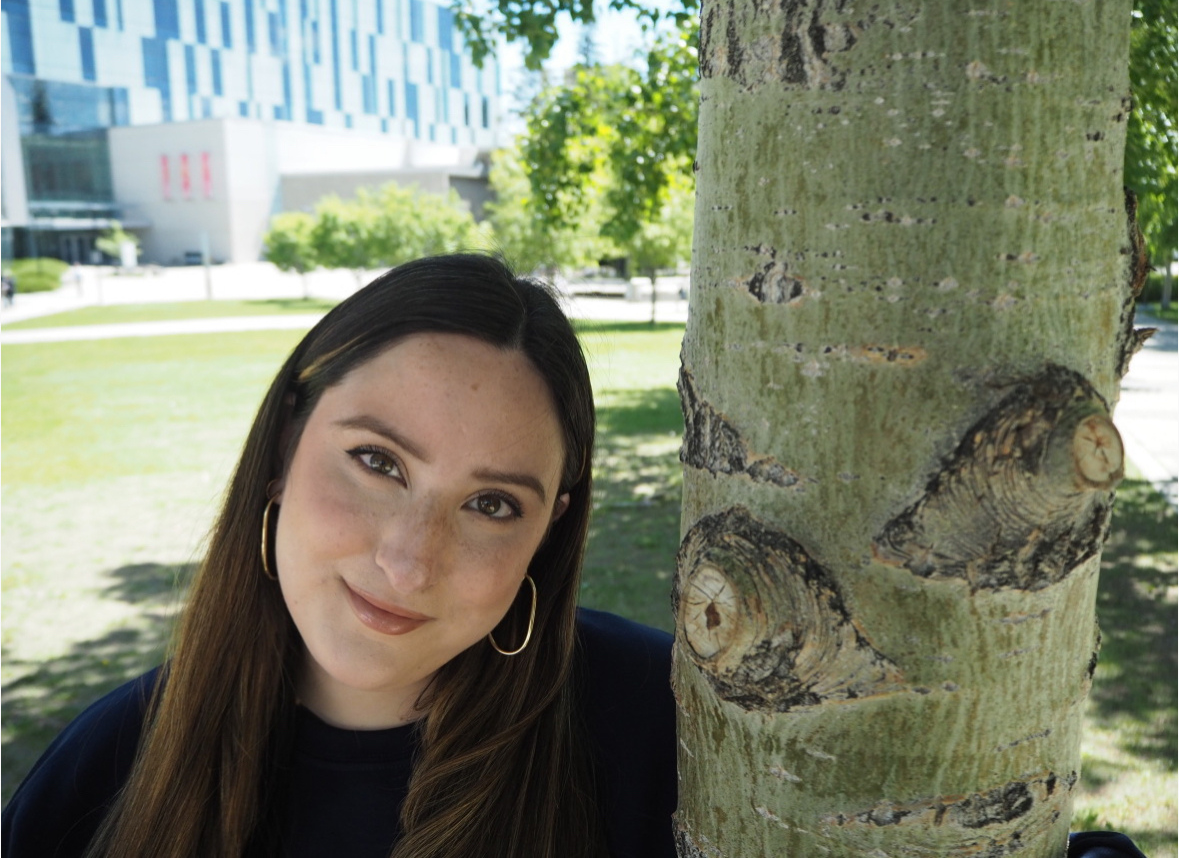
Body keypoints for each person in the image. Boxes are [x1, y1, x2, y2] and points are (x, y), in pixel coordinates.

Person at [0, 255, 1148, 858]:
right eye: (378, 462)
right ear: (279, 453)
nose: (409, 559)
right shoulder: (108, 770)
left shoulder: (663, 737)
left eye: (491, 503)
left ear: (550, 529)